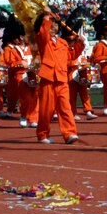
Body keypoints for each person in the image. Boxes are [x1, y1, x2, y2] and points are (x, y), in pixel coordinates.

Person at [35, 11, 82, 145]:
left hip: (61, 78)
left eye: (55, 24)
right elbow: (43, 33)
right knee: (46, 110)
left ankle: (70, 133)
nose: (53, 26)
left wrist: (80, 44)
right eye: (51, 24)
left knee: (65, 108)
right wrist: (46, 18)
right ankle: (43, 134)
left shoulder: (62, 42)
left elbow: (70, 57)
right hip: (48, 78)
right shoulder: (43, 39)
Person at [3, 25, 38, 127]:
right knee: (25, 98)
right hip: (21, 75)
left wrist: (37, 61)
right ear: (22, 37)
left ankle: (33, 118)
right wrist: (20, 63)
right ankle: (24, 115)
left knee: (35, 97)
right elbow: (10, 64)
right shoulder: (14, 50)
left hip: (34, 74)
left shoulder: (33, 48)